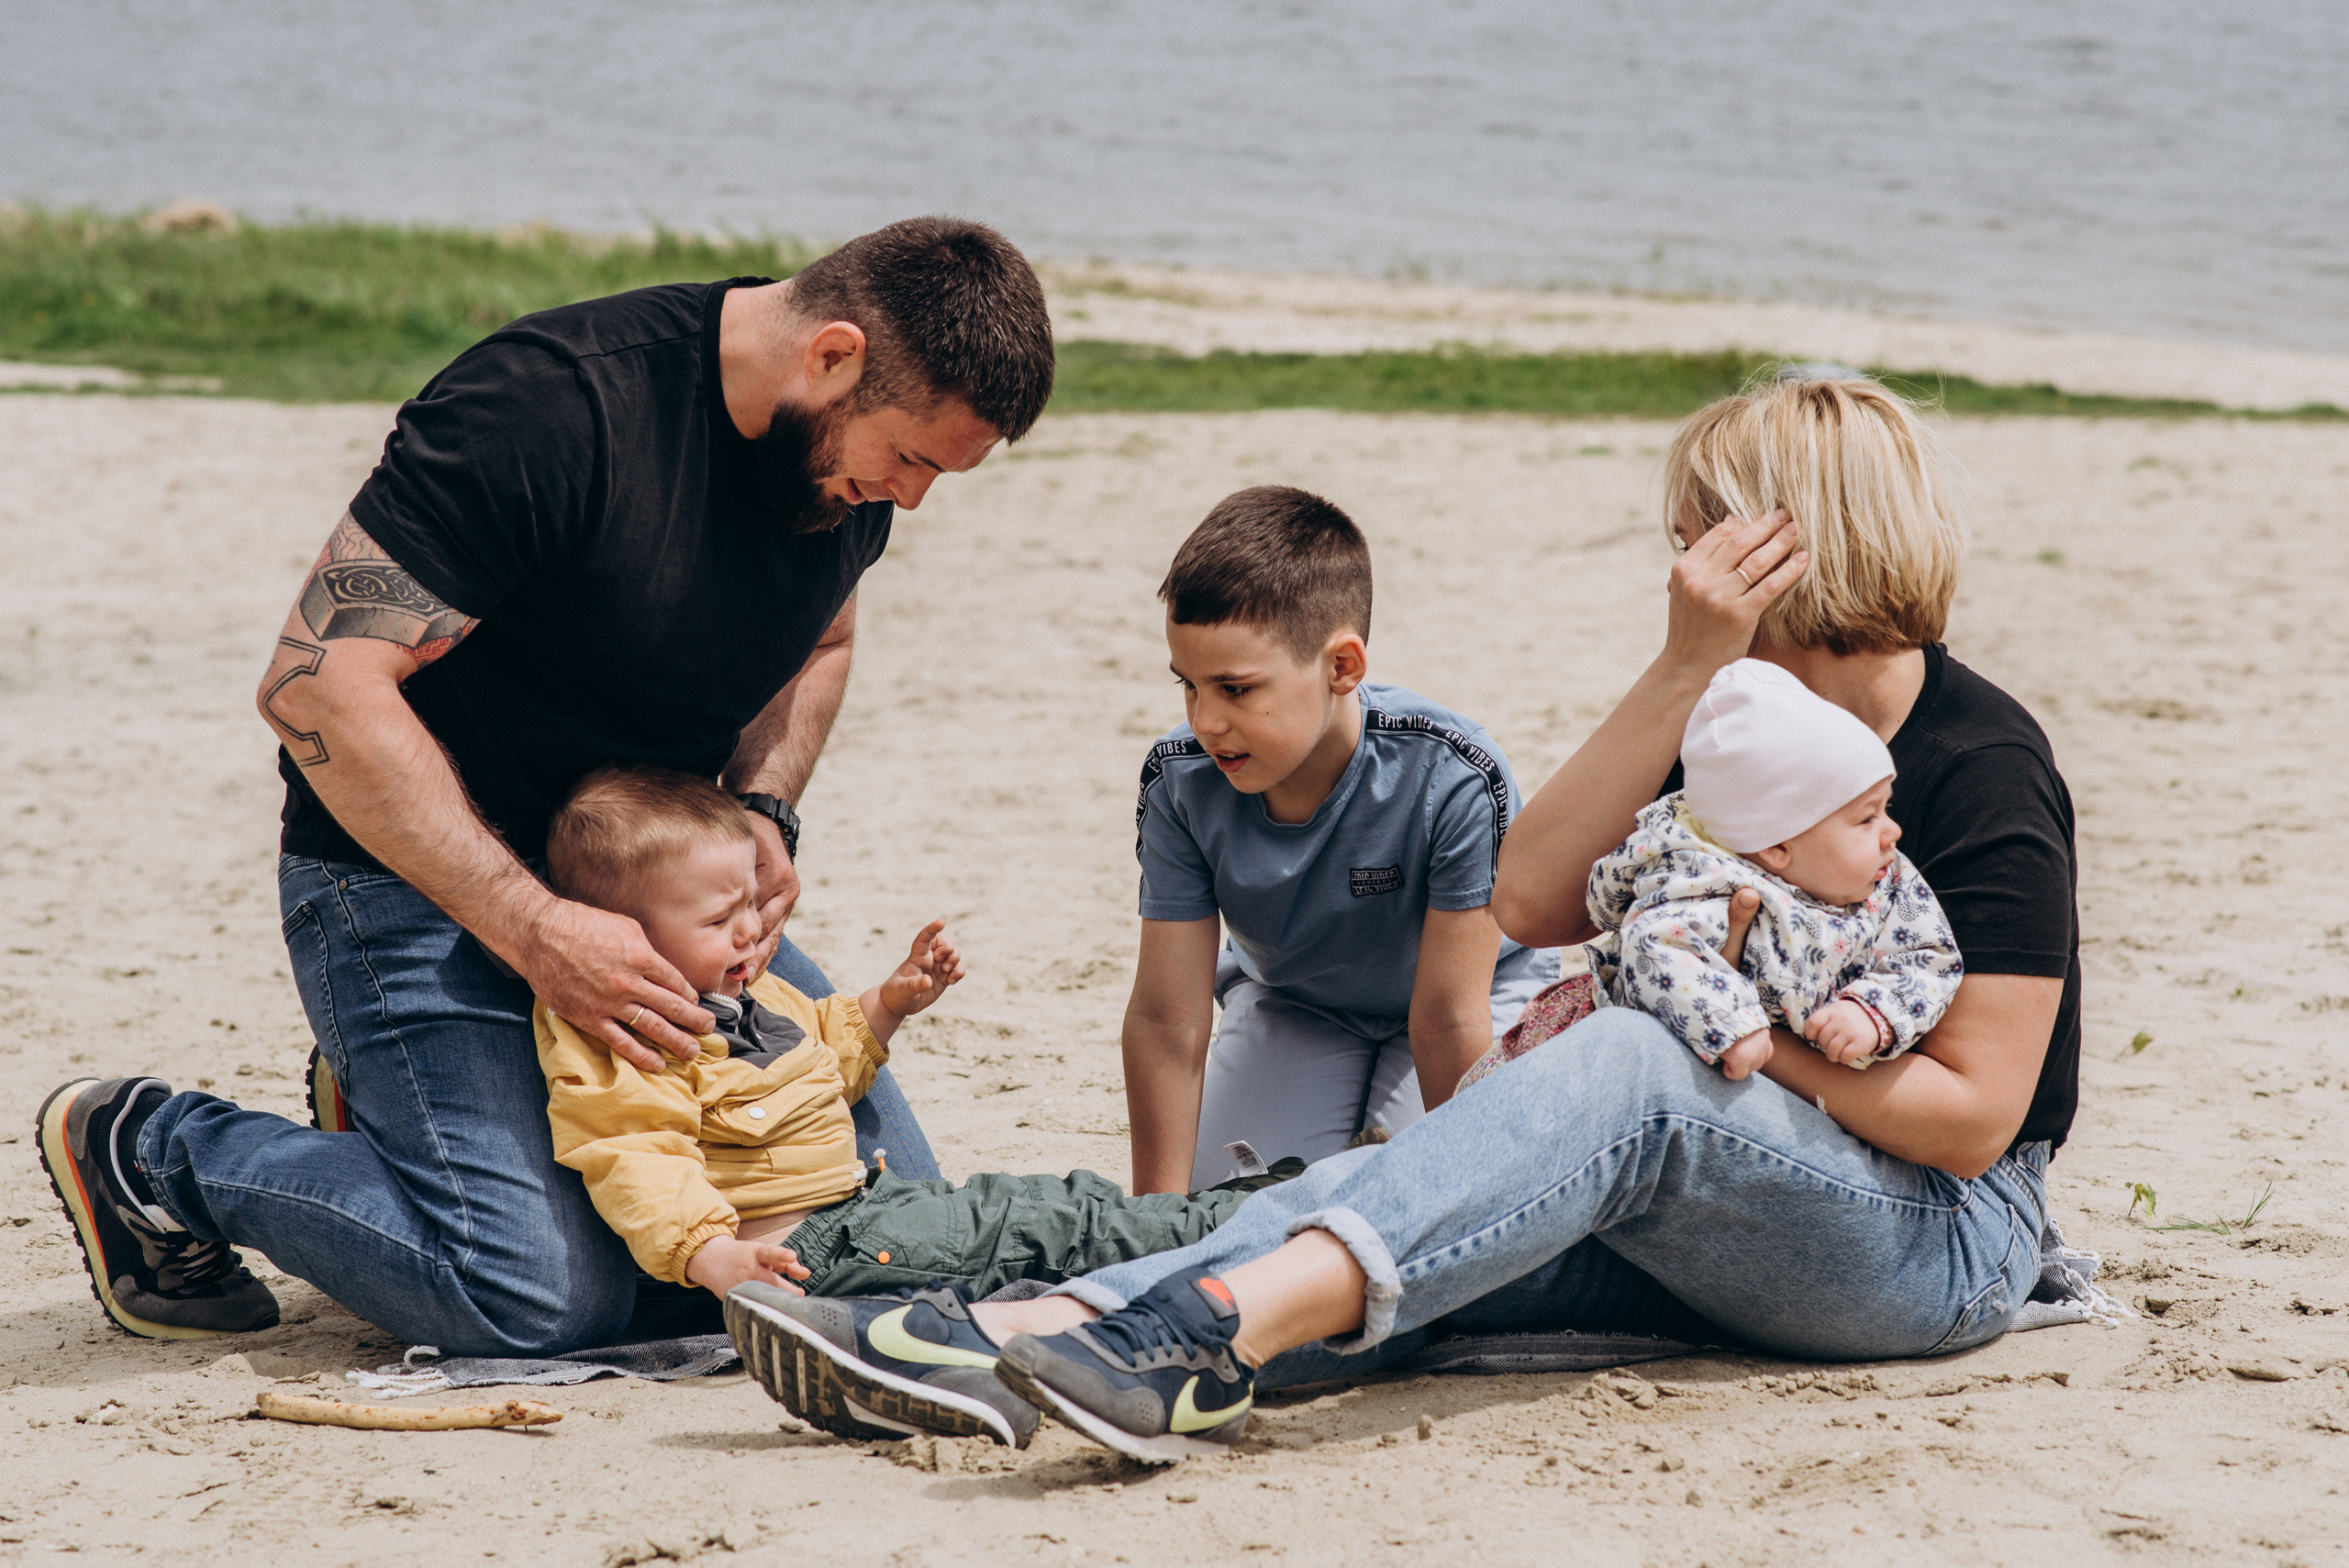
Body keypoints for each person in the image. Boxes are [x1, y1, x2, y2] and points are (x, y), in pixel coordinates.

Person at [743, 373, 2087, 1463]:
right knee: (1406, 1202)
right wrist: (1683, 666)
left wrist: (1727, 1033)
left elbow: (1973, 1120)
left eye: (1701, 538)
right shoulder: (1738, 724)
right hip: (1744, 1202)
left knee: (1624, 1056)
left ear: (1788, 548)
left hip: (1935, 1239)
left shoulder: (1979, 761)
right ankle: (1026, 1338)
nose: (1682, 567)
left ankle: (1194, 1330)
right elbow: (1531, 895)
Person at [39, 217, 1059, 1352]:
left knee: (882, 1246)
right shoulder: (547, 407)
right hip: (413, 883)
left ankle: (418, 1124)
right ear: (833, 355)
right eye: (912, 459)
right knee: (536, 1297)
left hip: (646, 892)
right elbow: (314, 685)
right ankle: (152, 1148)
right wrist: (535, 927)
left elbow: (823, 637)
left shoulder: (833, 477)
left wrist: (763, 807)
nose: (907, 500)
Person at [538, 767, 1262, 1447]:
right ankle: (1240, 1226)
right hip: (821, 1247)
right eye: (720, 916)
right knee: (1035, 1223)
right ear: (622, 935)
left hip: (864, 1215)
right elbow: (636, 1156)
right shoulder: (630, 1034)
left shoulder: (747, 987)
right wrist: (713, 1255)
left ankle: (1224, 1225)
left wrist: (888, 1003)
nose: (751, 930)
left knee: (1027, 1218)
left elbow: (825, 1053)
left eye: (752, 904)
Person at [1122, 485, 1557, 1195]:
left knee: (1413, 1195)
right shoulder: (1179, 780)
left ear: (1342, 666)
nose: (1206, 722)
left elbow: (1448, 1019)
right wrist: (1155, 1220)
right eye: (1189, 686)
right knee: (1227, 1205)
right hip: (1294, 1002)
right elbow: (1166, 1017)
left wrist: (1469, 1204)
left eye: (1235, 689)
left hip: (1467, 999)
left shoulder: (1454, 773)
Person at [1460, 655, 1963, 1089]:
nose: (1892, 831)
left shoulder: (1886, 878)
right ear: (1778, 845)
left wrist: (1872, 1011)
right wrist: (1731, 1025)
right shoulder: (1704, 879)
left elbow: (1928, 955)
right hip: (1639, 1063)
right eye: (1867, 818)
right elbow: (1656, 948)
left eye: (1885, 807)